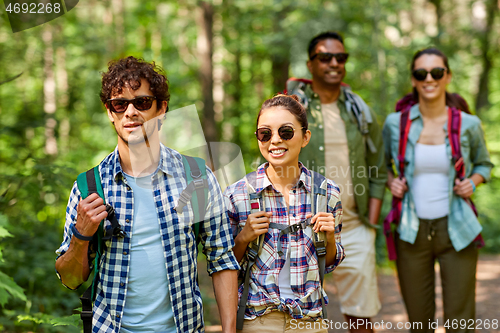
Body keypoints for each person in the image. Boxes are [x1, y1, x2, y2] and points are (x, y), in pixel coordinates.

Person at [55, 56, 239, 333]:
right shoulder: (89, 187)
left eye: (141, 102)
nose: (130, 112)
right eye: (120, 104)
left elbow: (221, 259)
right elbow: (69, 279)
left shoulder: (196, 177)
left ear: (161, 109)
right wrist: (81, 236)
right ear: (109, 112)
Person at [383, 47, 493, 332]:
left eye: (437, 72)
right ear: (413, 79)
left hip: (458, 229)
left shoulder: (468, 124)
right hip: (410, 231)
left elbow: (484, 165)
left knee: (461, 322)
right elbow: (379, 166)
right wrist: (390, 181)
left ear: (448, 77)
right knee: (419, 323)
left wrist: (474, 182)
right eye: (421, 73)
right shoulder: (396, 124)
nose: (429, 78)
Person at [287, 31, 387, 332]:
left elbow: (378, 169)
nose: (334, 63)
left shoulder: (360, 111)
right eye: (325, 57)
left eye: (340, 57)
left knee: (361, 317)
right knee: (301, 317)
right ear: (310, 63)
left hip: (355, 229)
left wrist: (370, 223)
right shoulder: (294, 109)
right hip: (302, 226)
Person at [224, 94, 345, 332]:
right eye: (265, 134)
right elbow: (224, 266)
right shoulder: (237, 195)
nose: (275, 141)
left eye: (286, 132)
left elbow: (329, 262)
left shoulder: (327, 193)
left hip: (311, 320)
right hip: (258, 319)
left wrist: (329, 237)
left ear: (305, 137)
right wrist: (243, 238)